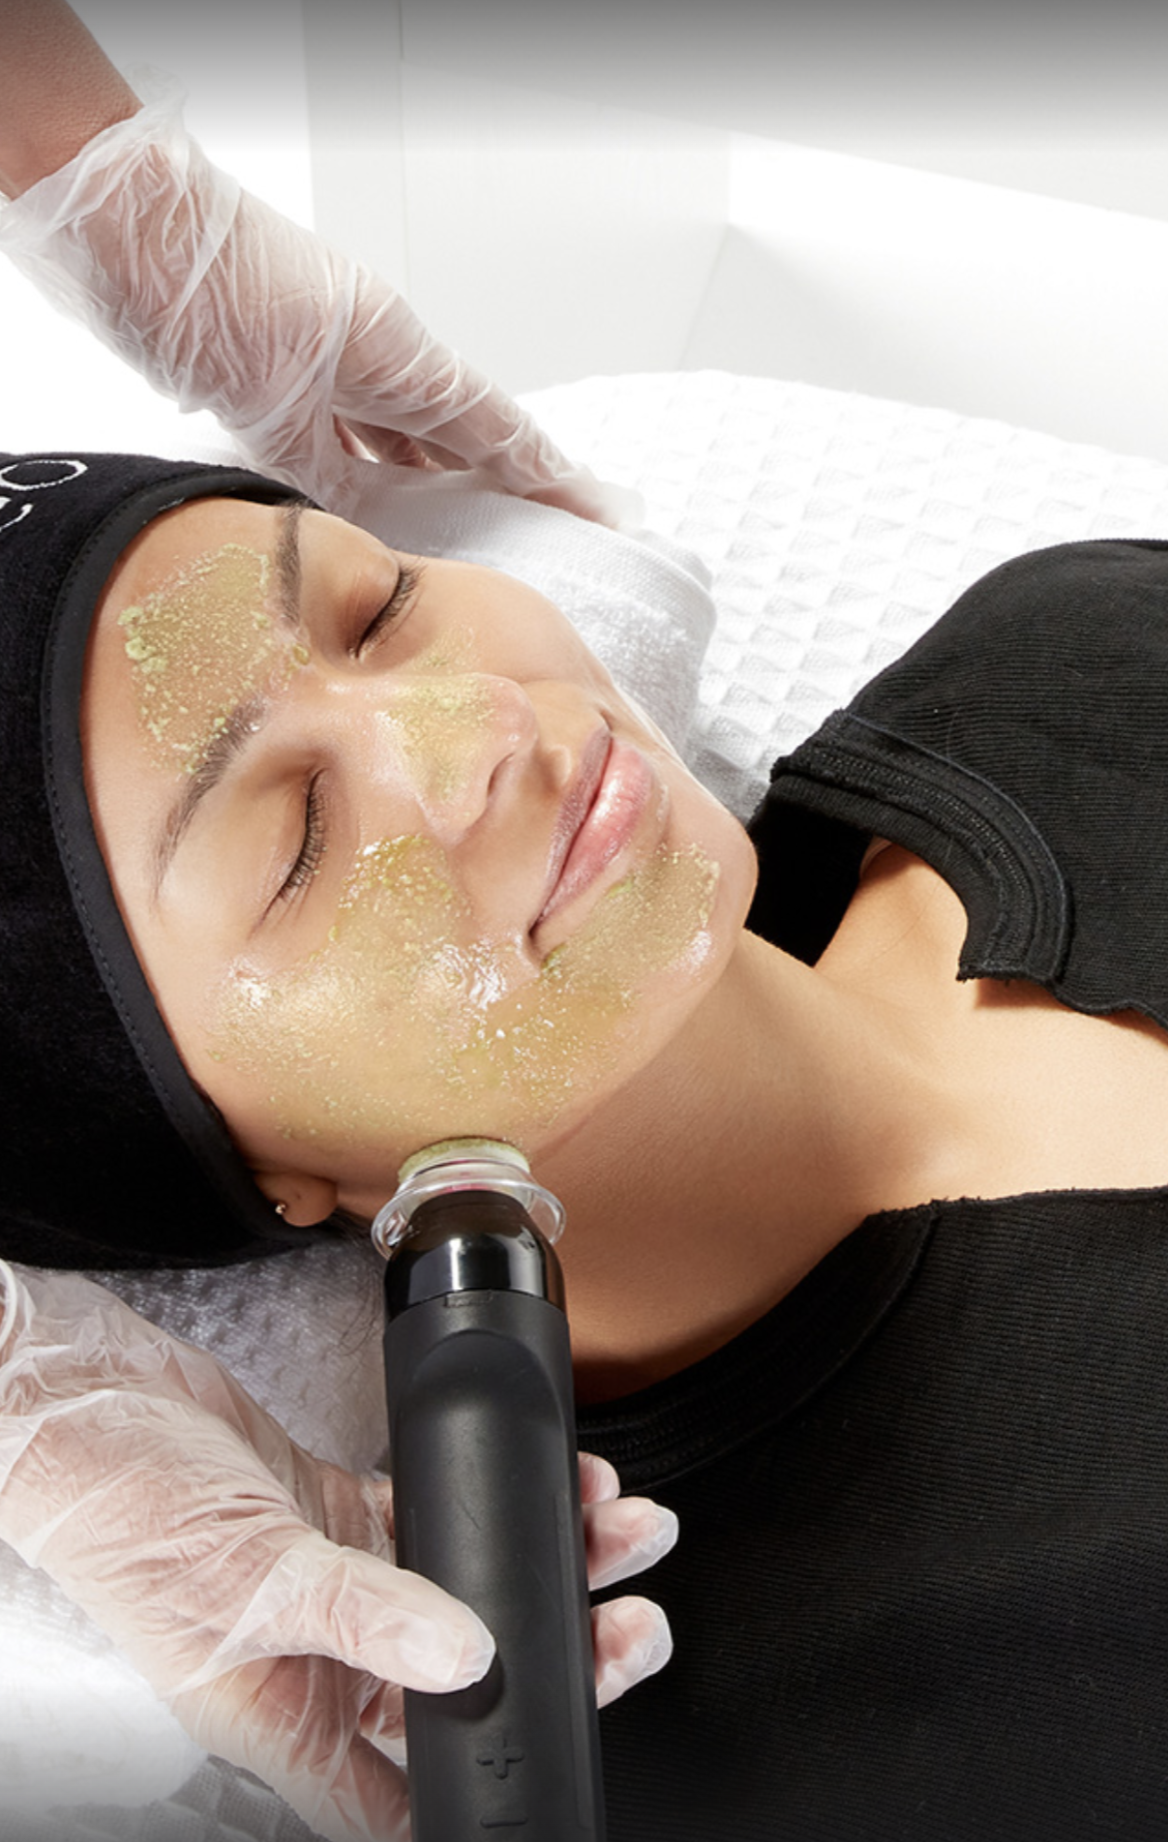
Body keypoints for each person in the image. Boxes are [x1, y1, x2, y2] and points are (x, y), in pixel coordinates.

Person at [6, 7, 1168, 1842]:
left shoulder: (1065, 653)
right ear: (251, 1169)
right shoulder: (760, 1724)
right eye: (295, 839)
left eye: (377, 609)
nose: (470, 731)